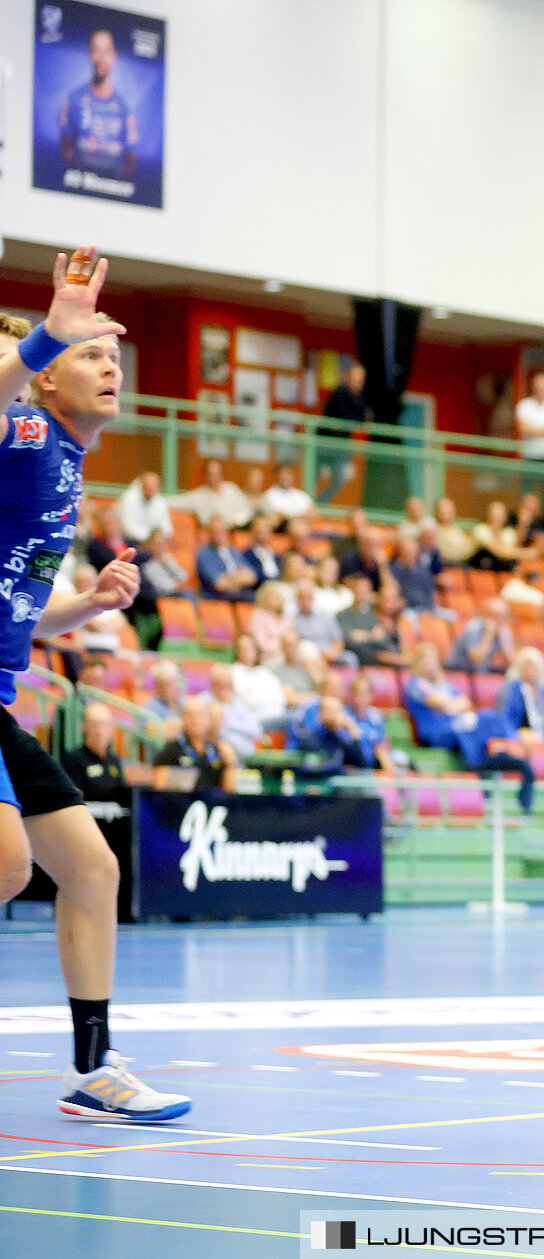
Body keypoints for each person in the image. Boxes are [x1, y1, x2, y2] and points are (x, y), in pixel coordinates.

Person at [0, 252, 190, 1122]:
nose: (109, 363)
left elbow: (23, 614)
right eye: (89, 353)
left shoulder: (67, 463)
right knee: (7, 865)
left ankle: (92, 1067)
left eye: (112, 354)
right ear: (41, 381)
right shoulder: (28, 433)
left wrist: (87, 603)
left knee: (89, 868)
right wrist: (47, 331)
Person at [403, 643, 535, 808]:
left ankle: (506, 753)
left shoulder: (443, 684)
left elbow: (464, 702)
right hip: (436, 733)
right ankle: (481, 769)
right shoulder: (415, 684)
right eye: (425, 660)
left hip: (456, 725)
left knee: (489, 717)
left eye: (433, 660)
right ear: (418, 663)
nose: (430, 664)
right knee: (468, 731)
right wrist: (451, 705)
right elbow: (445, 705)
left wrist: (451, 705)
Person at [59, 29, 137, 183]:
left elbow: (130, 159)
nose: (101, 58)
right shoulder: (73, 100)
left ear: (114, 56)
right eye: (96, 50)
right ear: (90, 54)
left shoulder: (124, 109)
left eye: (106, 51)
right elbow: (65, 149)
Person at [152, 695, 235, 793]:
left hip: (214, 804)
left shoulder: (217, 750)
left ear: (209, 719)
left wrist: (230, 764)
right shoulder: (171, 749)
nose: (195, 719)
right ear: (183, 719)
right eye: (189, 715)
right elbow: (159, 788)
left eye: (200, 715)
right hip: (181, 803)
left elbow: (229, 791)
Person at [502, 647, 544, 763]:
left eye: (533, 666)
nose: (530, 670)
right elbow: (507, 718)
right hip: (521, 732)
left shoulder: (543, 692)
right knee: (528, 739)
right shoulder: (515, 688)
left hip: (543, 733)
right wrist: (518, 733)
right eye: (527, 666)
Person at [317, 362, 369, 505]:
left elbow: (363, 418)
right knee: (313, 475)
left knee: (339, 480)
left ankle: (319, 504)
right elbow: (344, 415)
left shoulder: (361, 398)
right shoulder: (339, 392)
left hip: (341, 447)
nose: (357, 383)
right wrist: (354, 420)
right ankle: (309, 505)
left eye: (360, 380)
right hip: (324, 443)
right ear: (347, 377)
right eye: (354, 378)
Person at [337, 573, 403, 668]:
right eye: (360, 590)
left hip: (375, 656)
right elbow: (349, 640)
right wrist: (372, 635)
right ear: (353, 590)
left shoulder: (372, 614)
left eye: (365, 590)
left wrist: (363, 635)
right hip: (357, 657)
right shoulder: (343, 615)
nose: (362, 593)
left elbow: (383, 640)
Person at [209, 659, 268, 754]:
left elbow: (256, 730)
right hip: (220, 752)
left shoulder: (239, 702)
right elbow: (217, 731)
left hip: (248, 753)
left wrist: (228, 720)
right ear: (213, 684)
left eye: (229, 684)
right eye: (222, 684)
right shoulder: (205, 701)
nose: (226, 688)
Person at [176, 459, 254, 529]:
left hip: (237, 530)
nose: (216, 477)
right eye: (212, 474)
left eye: (218, 473)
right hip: (212, 536)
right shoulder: (199, 495)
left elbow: (247, 510)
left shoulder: (231, 488)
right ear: (206, 476)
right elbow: (177, 501)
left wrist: (233, 521)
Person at [195, 516, 257, 602]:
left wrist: (229, 578)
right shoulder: (204, 554)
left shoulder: (233, 551)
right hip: (216, 597)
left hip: (240, 593)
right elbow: (219, 584)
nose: (219, 534)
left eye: (221, 530)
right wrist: (240, 576)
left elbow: (252, 577)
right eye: (215, 531)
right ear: (209, 533)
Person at [448, 597, 514, 674]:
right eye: (495, 616)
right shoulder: (472, 628)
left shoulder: (504, 631)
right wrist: (488, 634)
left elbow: (512, 663)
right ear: (486, 615)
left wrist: (502, 641)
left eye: (503, 616)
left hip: (482, 671)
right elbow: (477, 660)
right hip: (458, 670)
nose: (500, 620)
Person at [290, 578, 346, 660]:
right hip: (307, 656)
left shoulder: (325, 616)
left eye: (309, 596)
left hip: (329, 653)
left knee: (350, 658)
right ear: (297, 598)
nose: (306, 600)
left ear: (313, 597)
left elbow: (338, 640)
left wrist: (333, 653)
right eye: (303, 597)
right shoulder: (292, 619)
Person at [115, 472, 173, 544]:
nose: (150, 489)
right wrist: (149, 538)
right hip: (129, 541)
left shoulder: (160, 501)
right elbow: (127, 527)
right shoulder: (128, 498)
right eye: (147, 486)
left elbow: (166, 527)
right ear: (142, 485)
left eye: (153, 486)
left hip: (153, 543)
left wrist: (162, 537)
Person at [389, 534, 441, 614]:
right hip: (406, 609)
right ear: (400, 551)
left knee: (450, 615)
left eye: (412, 551)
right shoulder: (393, 568)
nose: (409, 554)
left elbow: (431, 592)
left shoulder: (424, 570)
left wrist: (430, 608)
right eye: (406, 551)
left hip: (426, 608)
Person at [469, 501, 520, 572]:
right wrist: (527, 553)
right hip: (481, 566)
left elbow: (509, 552)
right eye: (494, 515)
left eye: (500, 515)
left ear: (505, 517)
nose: (496, 518)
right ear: (488, 515)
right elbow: (498, 551)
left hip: (503, 566)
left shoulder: (509, 532)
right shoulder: (480, 529)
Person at [245, 581, 291, 660]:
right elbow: (262, 644)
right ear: (265, 599)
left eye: (277, 596)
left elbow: (291, 638)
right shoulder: (258, 616)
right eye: (273, 597)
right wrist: (283, 647)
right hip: (268, 656)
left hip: (287, 653)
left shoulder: (286, 617)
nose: (276, 600)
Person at [139, 660, 185, 739]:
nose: (167, 688)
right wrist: (184, 723)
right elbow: (154, 731)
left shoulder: (183, 702)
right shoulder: (150, 707)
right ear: (156, 686)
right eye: (162, 684)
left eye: (170, 683)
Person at [83, 504, 130, 573]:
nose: (112, 525)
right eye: (107, 523)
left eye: (113, 520)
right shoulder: (95, 547)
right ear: (99, 525)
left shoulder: (132, 543)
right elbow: (113, 564)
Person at [432, 497, 478, 568]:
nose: (446, 514)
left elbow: (469, 549)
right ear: (436, 512)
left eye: (449, 512)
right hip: (447, 566)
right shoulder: (433, 530)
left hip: (463, 564)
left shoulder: (456, 530)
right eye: (443, 511)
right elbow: (446, 554)